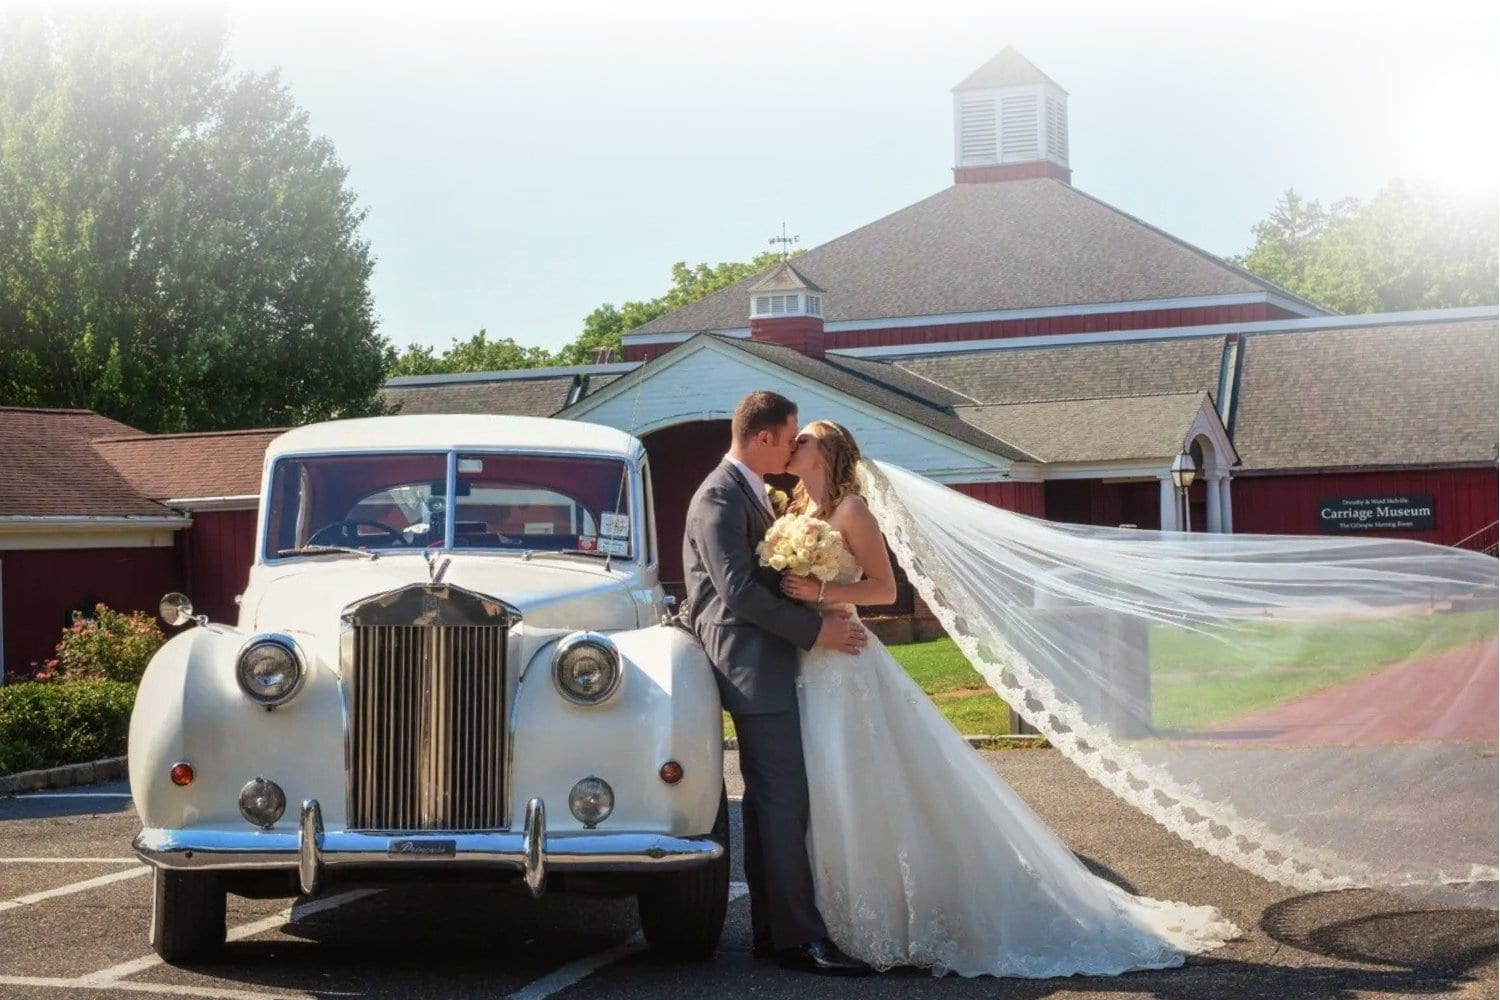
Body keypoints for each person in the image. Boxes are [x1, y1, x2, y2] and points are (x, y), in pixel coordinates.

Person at [778, 419, 1240, 977]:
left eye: (801, 439)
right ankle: (829, 916)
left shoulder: (851, 511)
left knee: (861, 782)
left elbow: (885, 589)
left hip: (847, 658)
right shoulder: (796, 512)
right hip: (808, 661)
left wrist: (822, 591)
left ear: (824, 452)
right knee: (826, 787)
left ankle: (892, 916)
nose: (791, 445)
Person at [680, 391, 874, 976]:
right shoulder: (718, 495)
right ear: (763, 438)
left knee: (771, 806)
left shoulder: (753, 493)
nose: (793, 447)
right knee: (783, 802)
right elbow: (737, 593)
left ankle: (774, 935)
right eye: (789, 437)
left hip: (767, 655)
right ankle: (800, 941)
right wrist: (816, 631)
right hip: (751, 662)